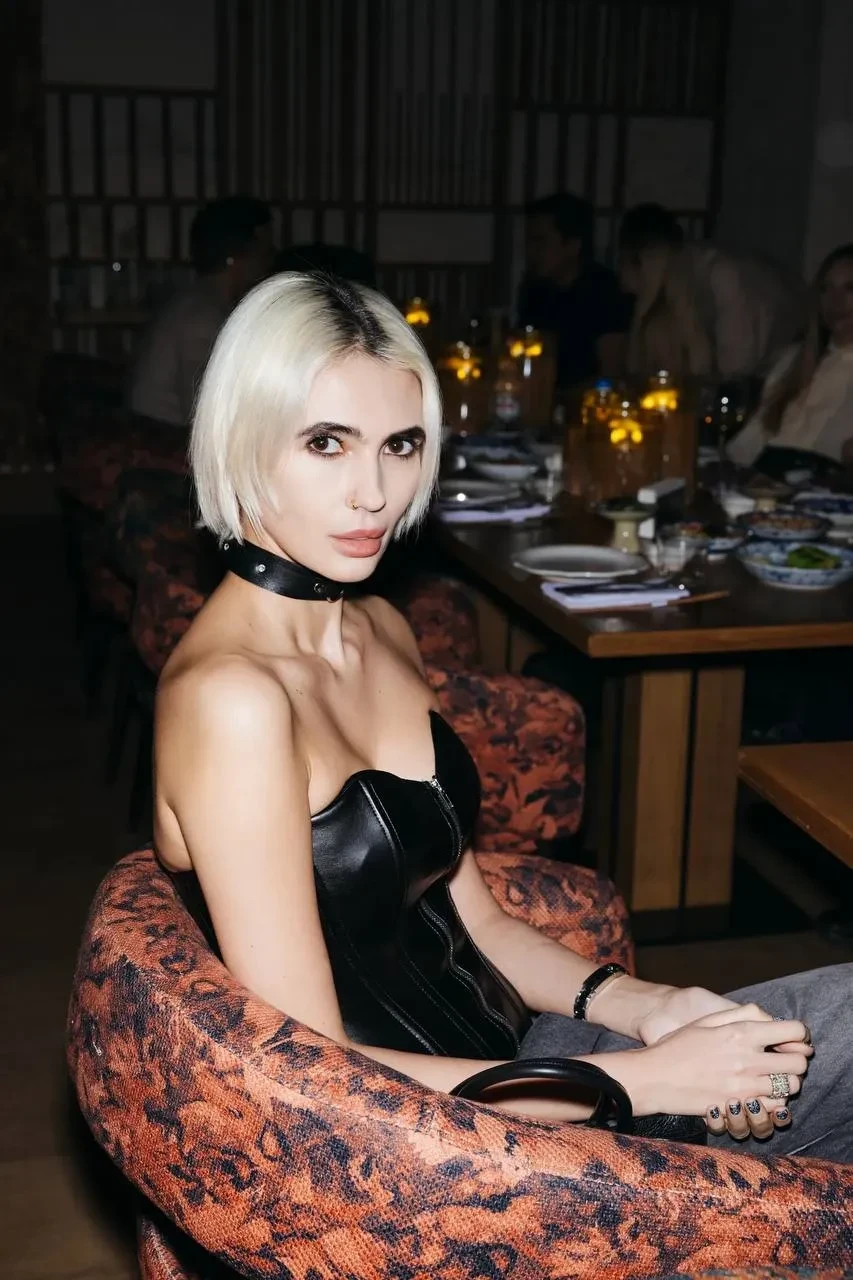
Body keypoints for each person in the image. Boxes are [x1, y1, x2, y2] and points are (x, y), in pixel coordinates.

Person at [153, 271, 850, 1162]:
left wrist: (653, 1006)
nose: (374, 492)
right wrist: (639, 1082)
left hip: (525, 1068)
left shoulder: (380, 626)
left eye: (400, 444)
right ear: (240, 440)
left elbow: (475, 923)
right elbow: (312, 1076)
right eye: (325, 443)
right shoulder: (230, 701)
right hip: (443, 1154)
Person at [129, 196, 274, 430]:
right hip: (165, 443)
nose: (269, 261)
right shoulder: (200, 317)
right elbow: (204, 415)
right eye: (265, 250)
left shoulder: (199, 303)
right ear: (236, 256)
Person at [619, 203, 804, 381]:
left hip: (790, 352)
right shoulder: (664, 293)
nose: (623, 281)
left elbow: (733, 372)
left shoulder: (722, 278)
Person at [728, 243, 853, 467]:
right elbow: (748, 441)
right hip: (759, 477)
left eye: (850, 289)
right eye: (826, 289)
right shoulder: (793, 361)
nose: (835, 302)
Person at [517, 192, 632, 389]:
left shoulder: (605, 292)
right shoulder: (535, 289)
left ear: (572, 245)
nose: (530, 251)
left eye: (540, 242)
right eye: (529, 241)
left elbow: (611, 374)